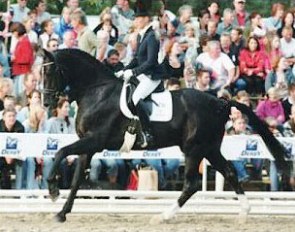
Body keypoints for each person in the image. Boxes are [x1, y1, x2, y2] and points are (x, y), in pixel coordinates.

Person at [116, 5, 161, 148]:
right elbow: (136, 59)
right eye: (135, 18)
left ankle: (148, 134)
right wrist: (125, 70)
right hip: (143, 74)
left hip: (151, 76)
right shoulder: (143, 35)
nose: (135, 21)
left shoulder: (152, 36)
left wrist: (134, 72)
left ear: (146, 19)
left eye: (138, 18)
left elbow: (151, 62)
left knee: (135, 99)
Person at [46, 97, 76, 189]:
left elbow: (75, 138)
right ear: (59, 109)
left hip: (71, 153)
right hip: (56, 153)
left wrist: (73, 155)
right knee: (63, 163)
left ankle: (74, 188)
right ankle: (64, 188)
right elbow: (46, 138)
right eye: (66, 107)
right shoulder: (51, 122)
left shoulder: (72, 121)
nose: (68, 109)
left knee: (78, 162)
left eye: (69, 107)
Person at [0, 107, 25, 189]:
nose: (12, 118)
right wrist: (6, 154)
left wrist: (12, 155)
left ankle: (19, 189)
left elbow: (20, 145)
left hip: (16, 154)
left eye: (13, 116)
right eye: (9, 116)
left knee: (21, 161)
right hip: (1, 154)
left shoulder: (20, 127)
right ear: (4, 118)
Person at [10, 22, 34, 97]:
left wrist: (15, 59)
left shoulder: (25, 42)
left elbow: (26, 59)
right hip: (19, 72)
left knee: (21, 94)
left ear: (17, 32)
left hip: (23, 73)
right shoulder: (21, 42)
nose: (13, 35)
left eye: (13, 32)